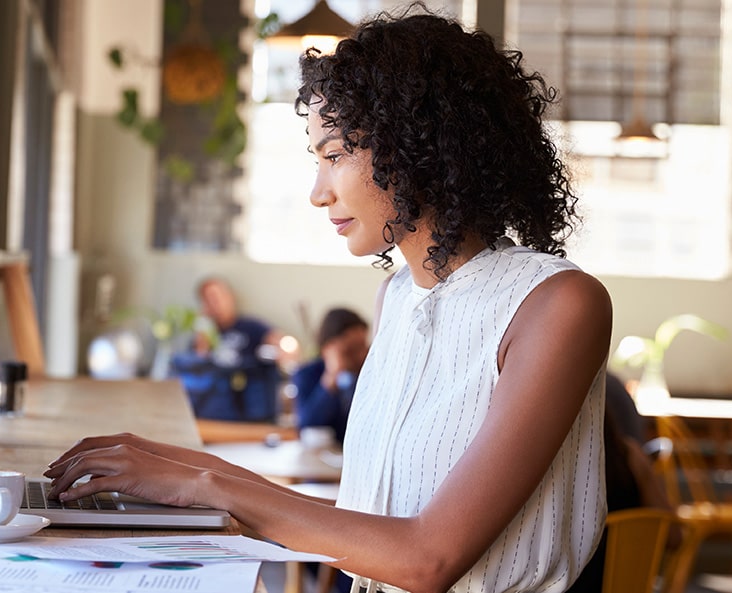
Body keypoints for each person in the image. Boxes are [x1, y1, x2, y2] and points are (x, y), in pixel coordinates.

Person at [46, 5, 612, 592]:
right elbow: (366, 527)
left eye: (335, 155)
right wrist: (177, 464)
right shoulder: (396, 297)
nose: (319, 193)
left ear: (419, 146)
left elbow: (428, 558)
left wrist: (204, 486)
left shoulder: (557, 304)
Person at [170, 277, 284, 423]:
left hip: (251, 406)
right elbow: (198, 368)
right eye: (208, 299)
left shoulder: (252, 327)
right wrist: (203, 330)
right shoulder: (205, 333)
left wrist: (280, 347)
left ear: (230, 297)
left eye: (217, 296)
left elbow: (280, 344)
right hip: (216, 410)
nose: (215, 303)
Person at [292, 307, 370, 445]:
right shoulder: (307, 374)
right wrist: (332, 376)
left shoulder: (370, 374)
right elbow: (308, 424)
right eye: (352, 349)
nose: (362, 355)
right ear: (329, 348)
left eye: (364, 347)